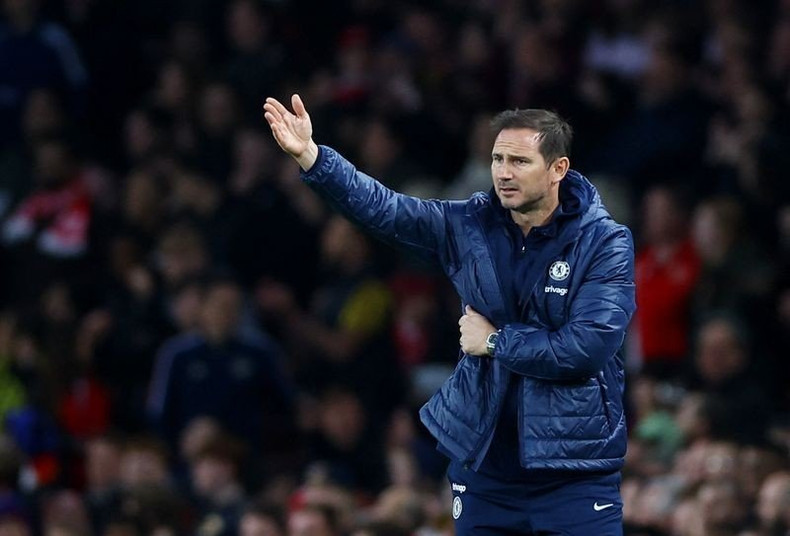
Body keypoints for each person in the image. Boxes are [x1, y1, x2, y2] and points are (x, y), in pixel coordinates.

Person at [263, 94, 636, 535]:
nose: (503, 172)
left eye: (519, 161)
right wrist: (312, 157)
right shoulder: (470, 223)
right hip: (484, 469)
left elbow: (586, 348)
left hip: (572, 472)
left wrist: (495, 341)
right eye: (497, 159)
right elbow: (386, 210)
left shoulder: (604, 242)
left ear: (558, 169)